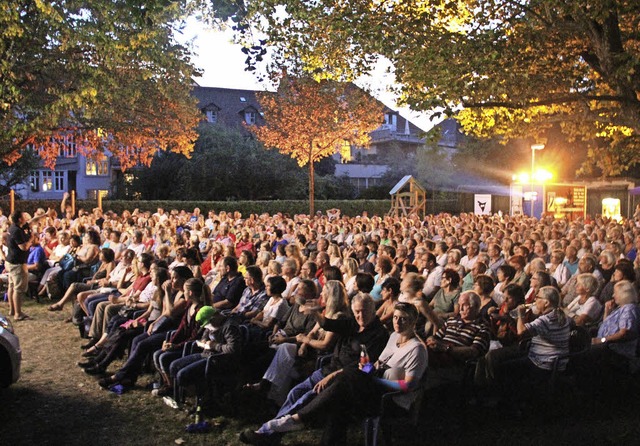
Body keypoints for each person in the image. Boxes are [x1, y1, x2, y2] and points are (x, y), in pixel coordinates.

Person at [241, 301, 426, 446]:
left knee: (345, 377)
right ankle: (292, 424)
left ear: (413, 321)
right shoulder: (394, 337)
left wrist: (376, 379)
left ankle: (297, 419)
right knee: (340, 396)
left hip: (389, 399)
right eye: (395, 317)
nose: (397, 322)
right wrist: (368, 369)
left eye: (403, 319)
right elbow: (379, 364)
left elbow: (408, 385)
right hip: (368, 385)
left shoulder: (416, 349)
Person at [6, 208, 52, 320]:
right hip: (17, 263)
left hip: (11, 261)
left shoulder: (14, 227)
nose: (26, 218)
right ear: (20, 219)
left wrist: (45, 215)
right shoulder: (17, 231)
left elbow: (33, 220)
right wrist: (32, 237)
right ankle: (18, 314)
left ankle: (12, 310)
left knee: (12, 286)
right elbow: (24, 247)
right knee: (18, 289)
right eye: (24, 216)